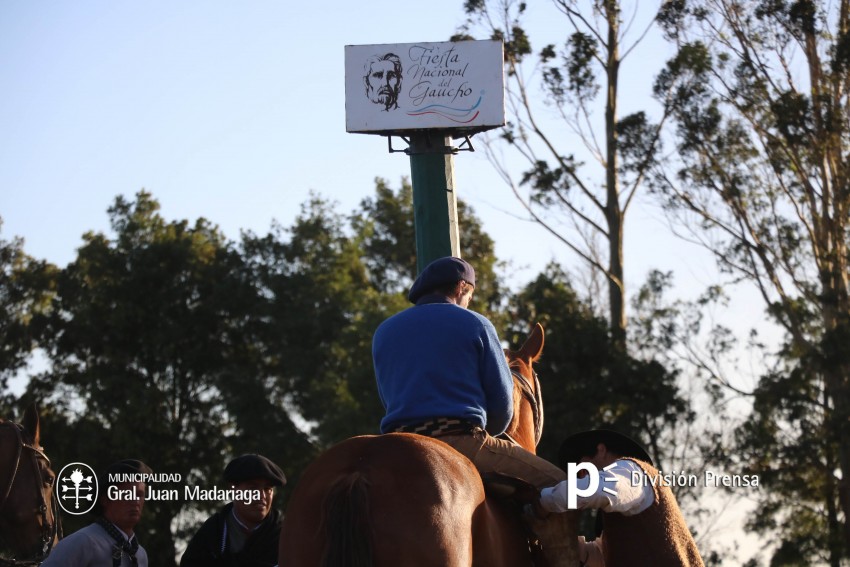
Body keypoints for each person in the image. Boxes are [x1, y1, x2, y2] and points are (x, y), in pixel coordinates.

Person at [372, 256, 573, 567]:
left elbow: (388, 398)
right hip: (460, 440)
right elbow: (504, 408)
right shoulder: (476, 324)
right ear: (462, 288)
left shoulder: (384, 331)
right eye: (469, 295)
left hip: (395, 444)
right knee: (564, 485)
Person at [540, 429, 705, 566]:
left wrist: (540, 499)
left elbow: (589, 489)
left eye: (582, 472)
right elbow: (599, 555)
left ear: (601, 450)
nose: (581, 479)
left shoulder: (633, 471)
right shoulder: (626, 524)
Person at [180, 453, 285, 567]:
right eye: (252, 488)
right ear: (234, 490)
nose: (262, 496)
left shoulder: (287, 535)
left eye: (267, 489)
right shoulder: (213, 532)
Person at [43, 459, 151, 567]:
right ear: (105, 500)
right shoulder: (82, 542)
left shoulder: (140, 555)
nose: (135, 501)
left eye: (139, 494)